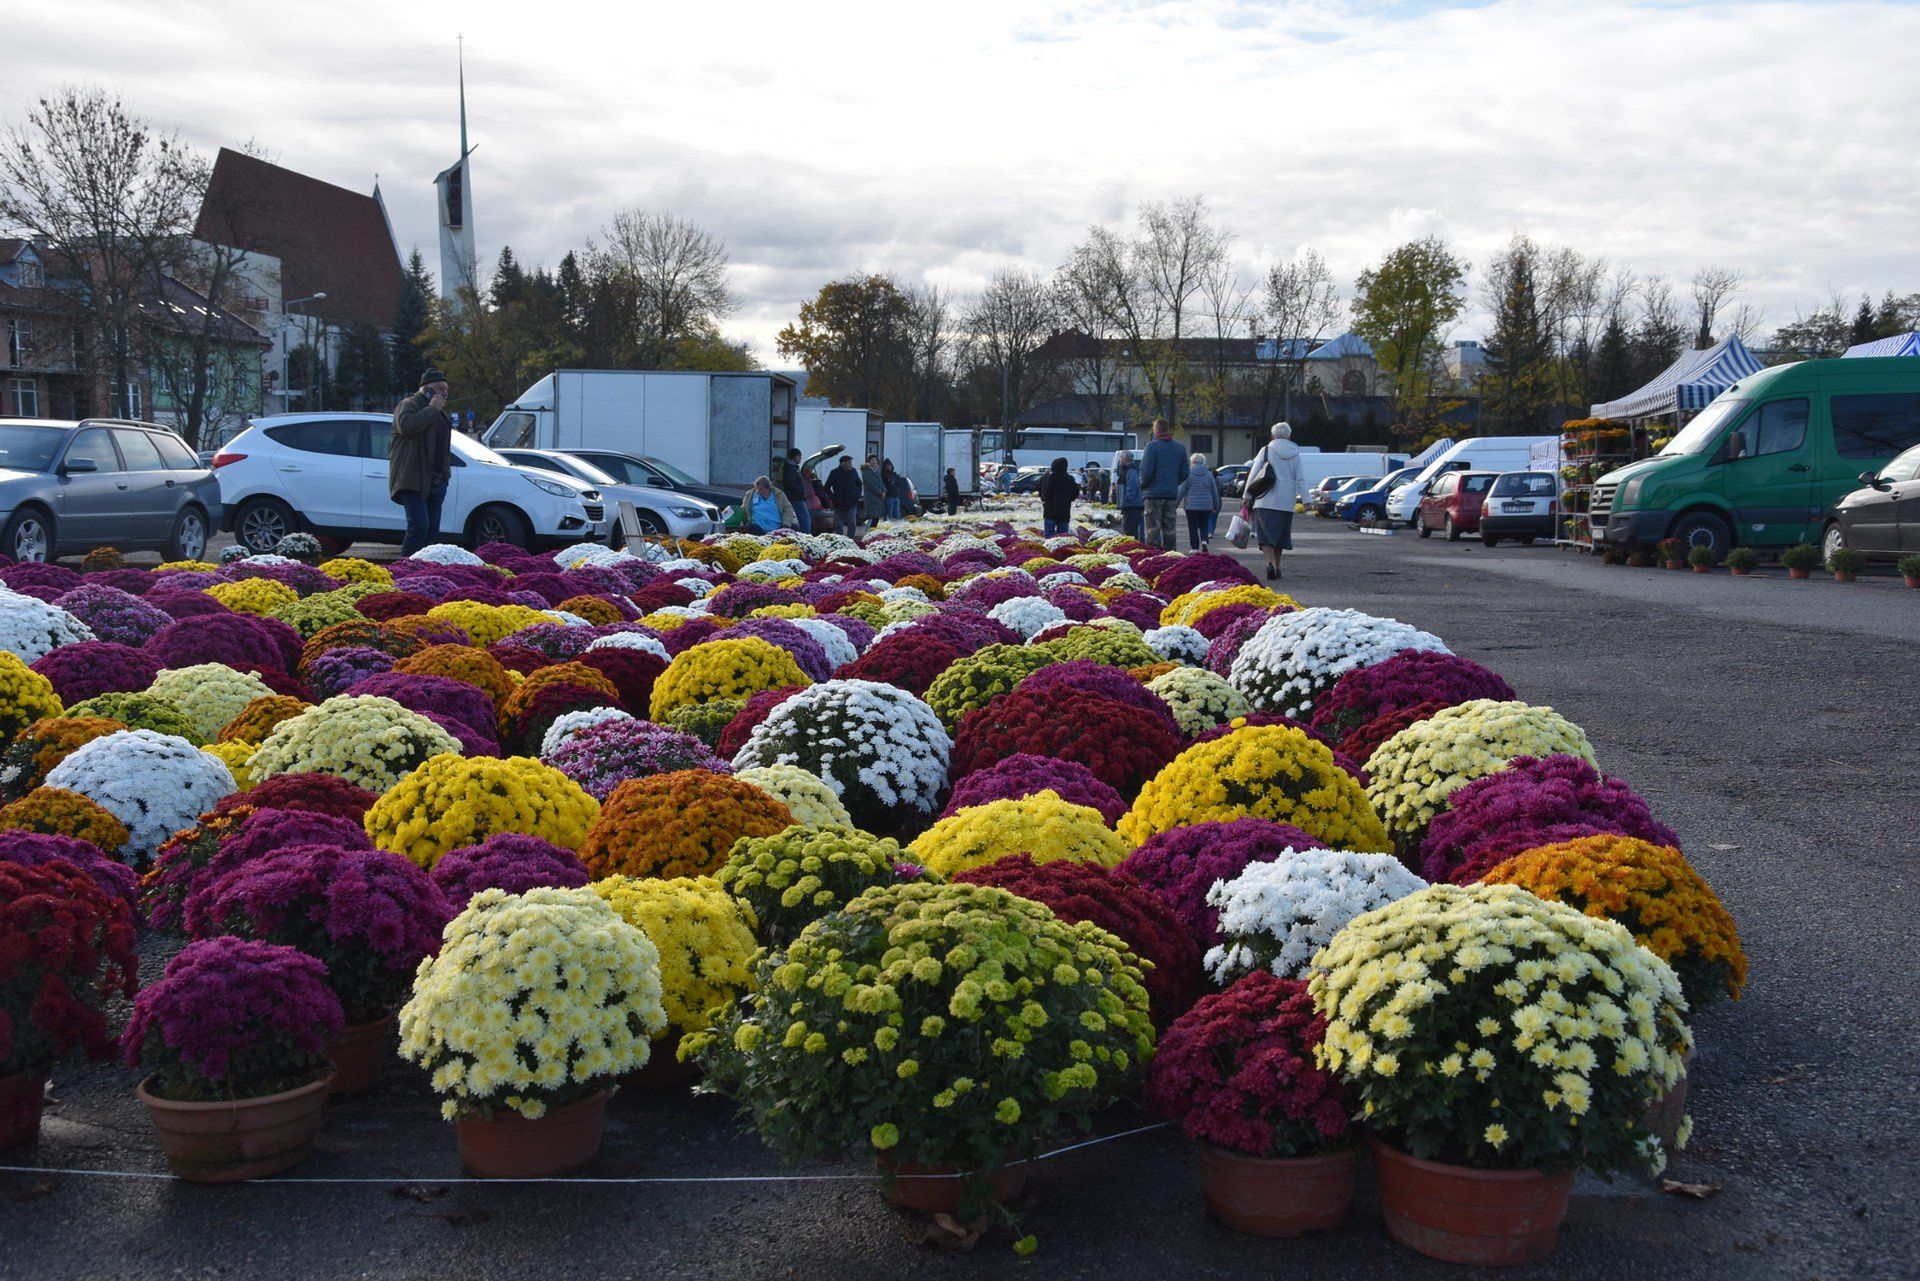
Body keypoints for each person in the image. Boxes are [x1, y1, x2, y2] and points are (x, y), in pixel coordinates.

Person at [391, 369, 454, 557]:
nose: (445, 393)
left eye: (447, 389)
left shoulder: (439, 413)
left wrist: (445, 475)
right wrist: (432, 408)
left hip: (436, 480)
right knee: (419, 526)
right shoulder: (409, 404)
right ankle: (406, 570)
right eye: (440, 388)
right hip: (413, 479)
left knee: (432, 531)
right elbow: (407, 426)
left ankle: (425, 573)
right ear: (427, 389)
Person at [1246, 421, 1305, 579]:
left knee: (1265, 536)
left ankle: (1270, 563)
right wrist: (1307, 500)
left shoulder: (1265, 450)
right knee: (1280, 537)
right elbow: (1300, 479)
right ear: (1289, 435)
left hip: (1265, 499)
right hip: (1286, 502)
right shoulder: (1295, 453)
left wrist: (1247, 495)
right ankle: (1278, 567)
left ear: (1272, 435)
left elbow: (1254, 473)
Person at [1138, 418, 1190, 550]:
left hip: (1153, 495)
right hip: (1171, 494)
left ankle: (1154, 558)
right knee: (1170, 528)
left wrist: (1143, 485)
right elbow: (1185, 472)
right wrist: (1173, 482)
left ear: (1156, 430)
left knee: (1152, 529)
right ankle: (1171, 556)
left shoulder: (1151, 447)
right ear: (1167, 430)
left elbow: (1145, 472)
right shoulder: (1180, 447)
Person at [1177, 451, 1221, 552]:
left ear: (1192, 461)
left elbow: (1181, 490)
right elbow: (1214, 491)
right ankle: (1204, 540)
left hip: (1191, 506)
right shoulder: (1209, 475)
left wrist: (1175, 504)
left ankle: (1194, 547)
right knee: (1204, 524)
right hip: (1206, 505)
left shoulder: (1188, 474)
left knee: (1192, 526)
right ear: (1203, 462)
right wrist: (1216, 505)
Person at [1037, 457, 1080, 537]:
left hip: (1051, 510)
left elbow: (1047, 491)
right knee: (1063, 537)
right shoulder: (1070, 478)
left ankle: (1049, 549)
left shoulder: (1051, 477)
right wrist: (1069, 499)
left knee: (1049, 536)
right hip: (1064, 511)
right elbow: (1076, 492)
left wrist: (1043, 498)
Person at [824, 455, 865, 537]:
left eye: (851, 462)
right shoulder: (834, 473)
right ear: (843, 463)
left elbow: (859, 484)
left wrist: (857, 496)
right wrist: (834, 498)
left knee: (852, 524)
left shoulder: (853, 471)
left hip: (852, 503)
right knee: (839, 525)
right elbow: (826, 487)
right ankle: (840, 541)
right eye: (849, 462)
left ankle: (850, 541)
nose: (851, 464)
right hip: (839, 503)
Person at [779, 448, 812, 534]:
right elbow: (790, 484)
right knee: (804, 518)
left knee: (802, 518)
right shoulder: (790, 468)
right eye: (799, 456)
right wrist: (802, 492)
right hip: (795, 498)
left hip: (796, 497)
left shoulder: (793, 467)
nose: (800, 458)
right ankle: (806, 536)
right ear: (794, 456)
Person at [1115, 451, 1144, 540]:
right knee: (1129, 529)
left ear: (1125, 459)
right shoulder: (1128, 469)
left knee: (1130, 530)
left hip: (1132, 505)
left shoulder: (1131, 470)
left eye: (1121, 458)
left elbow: (1132, 487)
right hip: (1131, 504)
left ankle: (1132, 548)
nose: (1120, 460)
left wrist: (1125, 500)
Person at [861, 455, 886, 526]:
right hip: (871, 497)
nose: (874, 461)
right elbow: (870, 485)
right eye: (872, 460)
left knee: (877, 518)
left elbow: (881, 482)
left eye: (875, 460)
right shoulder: (866, 471)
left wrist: (884, 491)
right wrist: (880, 493)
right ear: (868, 462)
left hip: (879, 498)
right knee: (872, 518)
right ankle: (868, 533)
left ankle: (872, 534)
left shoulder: (877, 470)